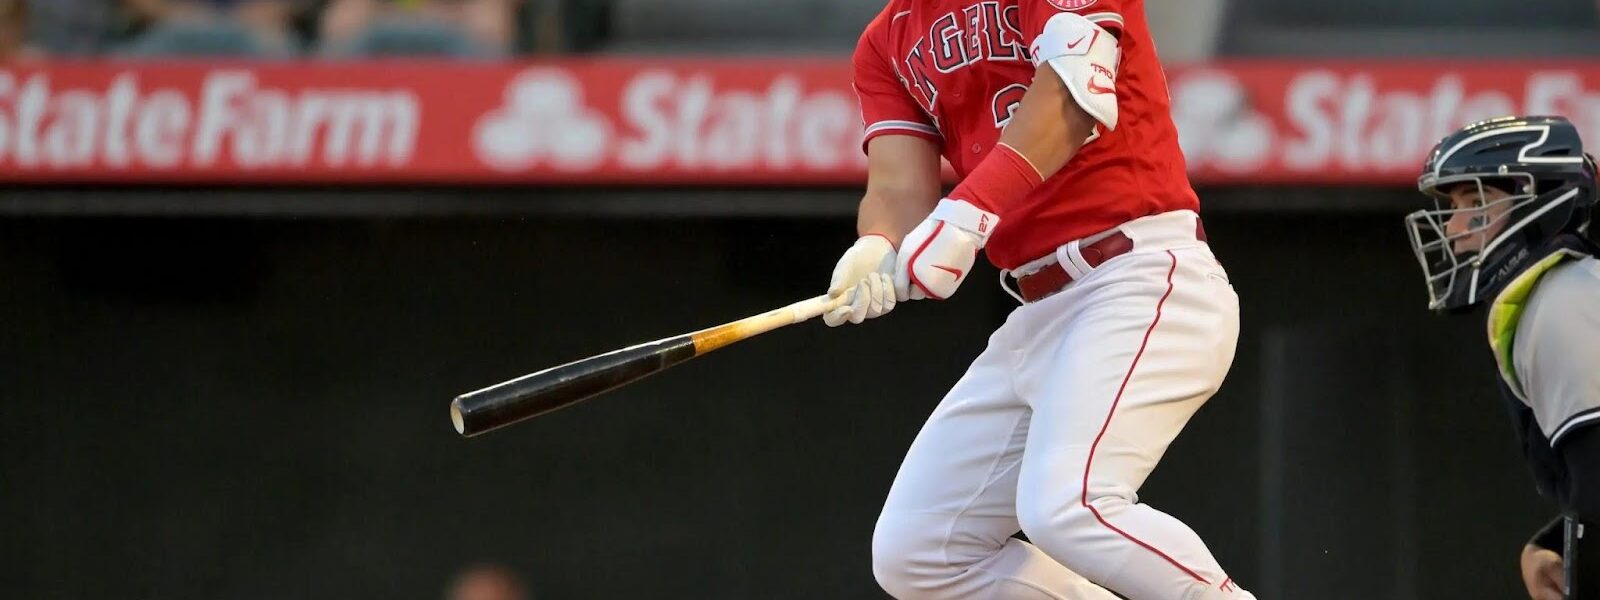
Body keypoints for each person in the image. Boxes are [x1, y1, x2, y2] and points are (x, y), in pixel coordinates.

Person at [823, 0, 1251, 598]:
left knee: (1068, 506)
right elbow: (898, 184)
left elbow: (1076, 93)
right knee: (919, 551)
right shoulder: (886, 39)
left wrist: (969, 213)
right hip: (1037, 309)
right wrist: (879, 242)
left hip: (1138, 273)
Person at [1406, 115, 1600, 600]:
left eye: (1475, 202)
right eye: (1452, 206)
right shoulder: (1565, 291)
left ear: (1538, 201)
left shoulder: (1562, 302)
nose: (1451, 226)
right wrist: (1549, 545)